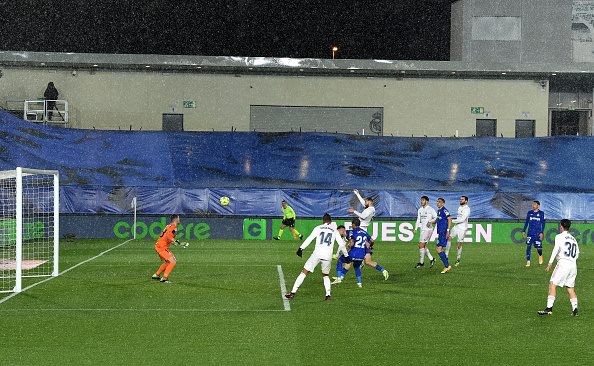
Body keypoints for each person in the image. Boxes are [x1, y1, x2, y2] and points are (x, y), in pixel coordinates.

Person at [285, 213, 350, 301]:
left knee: (304, 272)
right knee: (326, 275)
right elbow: (341, 244)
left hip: (317, 254)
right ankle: (328, 295)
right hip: (327, 255)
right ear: (330, 222)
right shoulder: (334, 230)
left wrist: (301, 248)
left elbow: (310, 238)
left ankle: (293, 292)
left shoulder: (318, 228)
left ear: (323, 221)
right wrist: (346, 255)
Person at [538, 219, 579, 316]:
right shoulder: (573, 239)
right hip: (573, 265)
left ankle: (549, 308)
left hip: (563, 264)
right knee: (570, 288)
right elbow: (577, 254)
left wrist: (550, 262)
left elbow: (556, 249)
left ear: (561, 226)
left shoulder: (559, 236)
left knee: (552, 284)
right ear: (569, 227)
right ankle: (575, 310)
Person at [332, 218, 389, 286]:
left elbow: (351, 243)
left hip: (358, 250)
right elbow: (372, 241)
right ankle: (357, 282)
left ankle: (339, 278)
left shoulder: (351, 232)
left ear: (353, 224)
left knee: (362, 261)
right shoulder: (363, 232)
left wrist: (345, 250)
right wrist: (371, 245)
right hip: (361, 252)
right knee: (354, 264)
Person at [152, 214, 188, 283]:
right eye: (179, 219)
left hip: (158, 245)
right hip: (162, 247)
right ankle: (164, 278)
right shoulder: (174, 227)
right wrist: (175, 240)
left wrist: (172, 242)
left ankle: (156, 275)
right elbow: (168, 235)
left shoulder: (168, 226)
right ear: (177, 220)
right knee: (173, 261)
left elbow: (165, 236)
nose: (179, 220)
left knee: (168, 262)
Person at [445, 195, 470, 267]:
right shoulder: (459, 208)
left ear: (466, 201)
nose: (461, 200)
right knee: (449, 238)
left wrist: (451, 221)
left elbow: (462, 219)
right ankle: (446, 255)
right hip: (457, 226)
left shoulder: (467, 209)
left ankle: (458, 258)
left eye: (462, 199)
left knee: (459, 245)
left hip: (462, 228)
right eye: (460, 199)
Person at [413, 195, 437, 269]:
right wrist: (416, 228)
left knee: (421, 245)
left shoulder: (430, 209)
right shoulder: (420, 210)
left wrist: (430, 221)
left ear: (427, 201)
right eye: (421, 200)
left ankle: (421, 262)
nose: (421, 201)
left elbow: (436, 217)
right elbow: (418, 219)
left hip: (428, 229)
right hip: (422, 229)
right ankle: (432, 259)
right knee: (422, 246)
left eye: (423, 200)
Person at [522, 200, 546, 267]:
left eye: (535, 204)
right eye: (533, 204)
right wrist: (524, 230)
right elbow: (526, 222)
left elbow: (543, 224)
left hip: (537, 234)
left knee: (539, 248)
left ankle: (540, 255)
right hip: (530, 233)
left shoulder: (541, 213)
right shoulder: (529, 213)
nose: (533, 205)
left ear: (538, 206)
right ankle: (528, 262)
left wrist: (541, 232)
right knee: (528, 246)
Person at [433, 198, 453, 273]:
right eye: (437, 202)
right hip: (440, 232)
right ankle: (447, 265)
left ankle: (447, 266)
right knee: (439, 249)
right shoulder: (439, 211)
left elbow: (449, 219)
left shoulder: (445, 210)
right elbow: (439, 218)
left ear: (443, 203)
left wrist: (448, 230)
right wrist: (435, 221)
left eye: (440, 202)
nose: (438, 203)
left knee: (438, 249)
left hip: (444, 232)